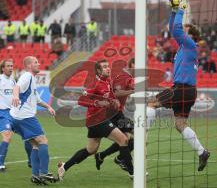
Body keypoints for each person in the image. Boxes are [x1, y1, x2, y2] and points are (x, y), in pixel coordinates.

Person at [154, 0, 210, 172]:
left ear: (190, 34)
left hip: (182, 89)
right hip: (188, 91)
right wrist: (173, 11)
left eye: (185, 29)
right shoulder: (185, 47)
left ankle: (138, 142)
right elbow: (174, 28)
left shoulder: (190, 44)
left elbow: (176, 29)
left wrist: (182, 9)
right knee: (180, 125)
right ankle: (202, 152)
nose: (181, 31)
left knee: (149, 103)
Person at [57, 60, 134, 180]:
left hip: (98, 121)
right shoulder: (95, 83)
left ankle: (64, 166)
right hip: (97, 121)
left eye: (108, 66)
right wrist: (97, 102)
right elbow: (82, 100)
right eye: (104, 67)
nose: (108, 68)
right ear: (98, 71)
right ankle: (133, 173)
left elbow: (111, 96)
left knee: (91, 150)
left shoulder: (108, 81)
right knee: (124, 140)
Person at [10, 56, 58, 185]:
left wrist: (48, 106)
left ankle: (35, 175)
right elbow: (17, 87)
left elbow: (36, 99)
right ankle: (44, 172)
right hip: (25, 117)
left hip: (16, 118)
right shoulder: (27, 76)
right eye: (36, 62)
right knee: (43, 140)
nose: (39, 64)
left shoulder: (31, 79)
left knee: (35, 145)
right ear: (29, 66)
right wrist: (15, 96)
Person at [94, 58, 135, 171]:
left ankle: (102, 155)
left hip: (117, 113)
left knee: (127, 138)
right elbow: (117, 93)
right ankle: (122, 160)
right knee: (131, 138)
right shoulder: (124, 76)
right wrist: (133, 90)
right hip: (113, 114)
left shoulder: (126, 77)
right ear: (132, 65)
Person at [0, 59, 32, 171]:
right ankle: (0, 164)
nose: (10, 68)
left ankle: (30, 161)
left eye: (11, 66)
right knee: (7, 136)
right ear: (3, 68)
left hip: (14, 113)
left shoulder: (13, 81)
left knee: (28, 136)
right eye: (8, 66)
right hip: (3, 114)